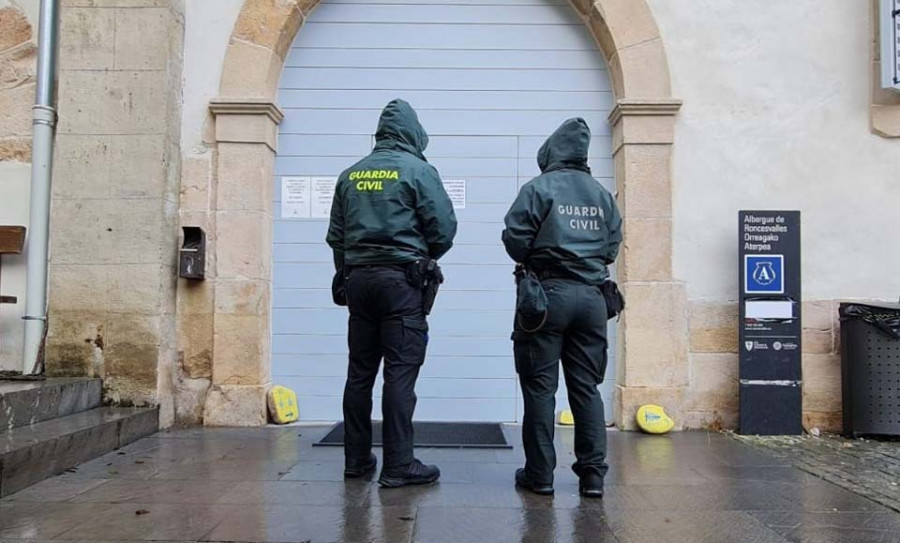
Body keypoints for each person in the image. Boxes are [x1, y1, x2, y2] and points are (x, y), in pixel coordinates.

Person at [326, 99, 457, 488]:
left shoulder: (350, 175)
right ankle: (399, 465)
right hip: (402, 282)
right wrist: (421, 257)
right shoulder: (418, 170)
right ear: (414, 133)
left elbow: (337, 237)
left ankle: (356, 459)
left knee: (360, 373)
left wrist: (345, 274)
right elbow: (444, 230)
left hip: (359, 281)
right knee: (400, 374)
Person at [501, 117, 622, 498]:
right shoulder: (602, 195)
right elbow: (612, 246)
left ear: (552, 150)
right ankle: (592, 477)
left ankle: (540, 475)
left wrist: (538, 257)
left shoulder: (539, 188)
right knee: (586, 388)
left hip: (545, 299)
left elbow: (515, 238)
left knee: (540, 389)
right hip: (590, 299)